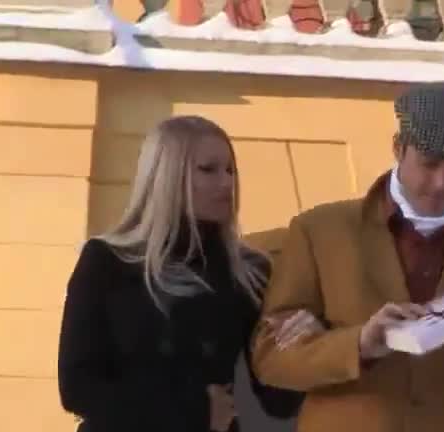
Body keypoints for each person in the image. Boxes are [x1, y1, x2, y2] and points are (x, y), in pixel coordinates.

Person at [251, 82, 444, 432]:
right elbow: (270, 359)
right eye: (429, 164)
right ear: (398, 147)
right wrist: (359, 344)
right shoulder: (319, 232)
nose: (441, 183)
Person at [57, 115, 318, 432]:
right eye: (208, 169)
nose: (227, 183)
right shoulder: (107, 260)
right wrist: (192, 411)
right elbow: (78, 388)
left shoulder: (249, 270)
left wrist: (300, 345)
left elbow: (277, 403)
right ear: (167, 177)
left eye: (231, 170)